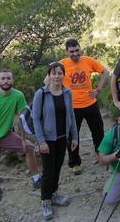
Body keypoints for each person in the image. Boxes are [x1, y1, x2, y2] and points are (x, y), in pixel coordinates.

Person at [0, 69, 41, 203]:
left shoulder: (18, 96)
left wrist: (23, 139)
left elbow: (21, 118)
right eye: (3, 78)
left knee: (29, 148)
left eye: (8, 78)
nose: (6, 81)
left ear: (12, 81)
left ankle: (36, 179)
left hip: (7, 135)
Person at [33, 62, 79, 221]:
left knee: (58, 168)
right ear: (49, 75)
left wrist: (75, 136)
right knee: (48, 171)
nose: (57, 76)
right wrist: (41, 141)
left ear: (63, 75)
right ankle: (45, 200)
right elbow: (36, 119)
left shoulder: (67, 93)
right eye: (54, 73)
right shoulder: (41, 93)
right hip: (47, 139)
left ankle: (53, 194)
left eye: (60, 73)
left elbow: (71, 115)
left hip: (62, 138)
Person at [58, 38, 109, 176]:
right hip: (72, 107)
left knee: (98, 131)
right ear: (66, 52)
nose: (75, 54)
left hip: (90, 103)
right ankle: (75, 163)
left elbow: (105, 72)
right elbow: (50, 80)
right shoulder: (62, 64)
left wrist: (98, 89)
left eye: (76, 50)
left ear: (80, 49)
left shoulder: (88, 60)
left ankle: (101, 156)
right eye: (71, 51)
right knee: (72, 136)